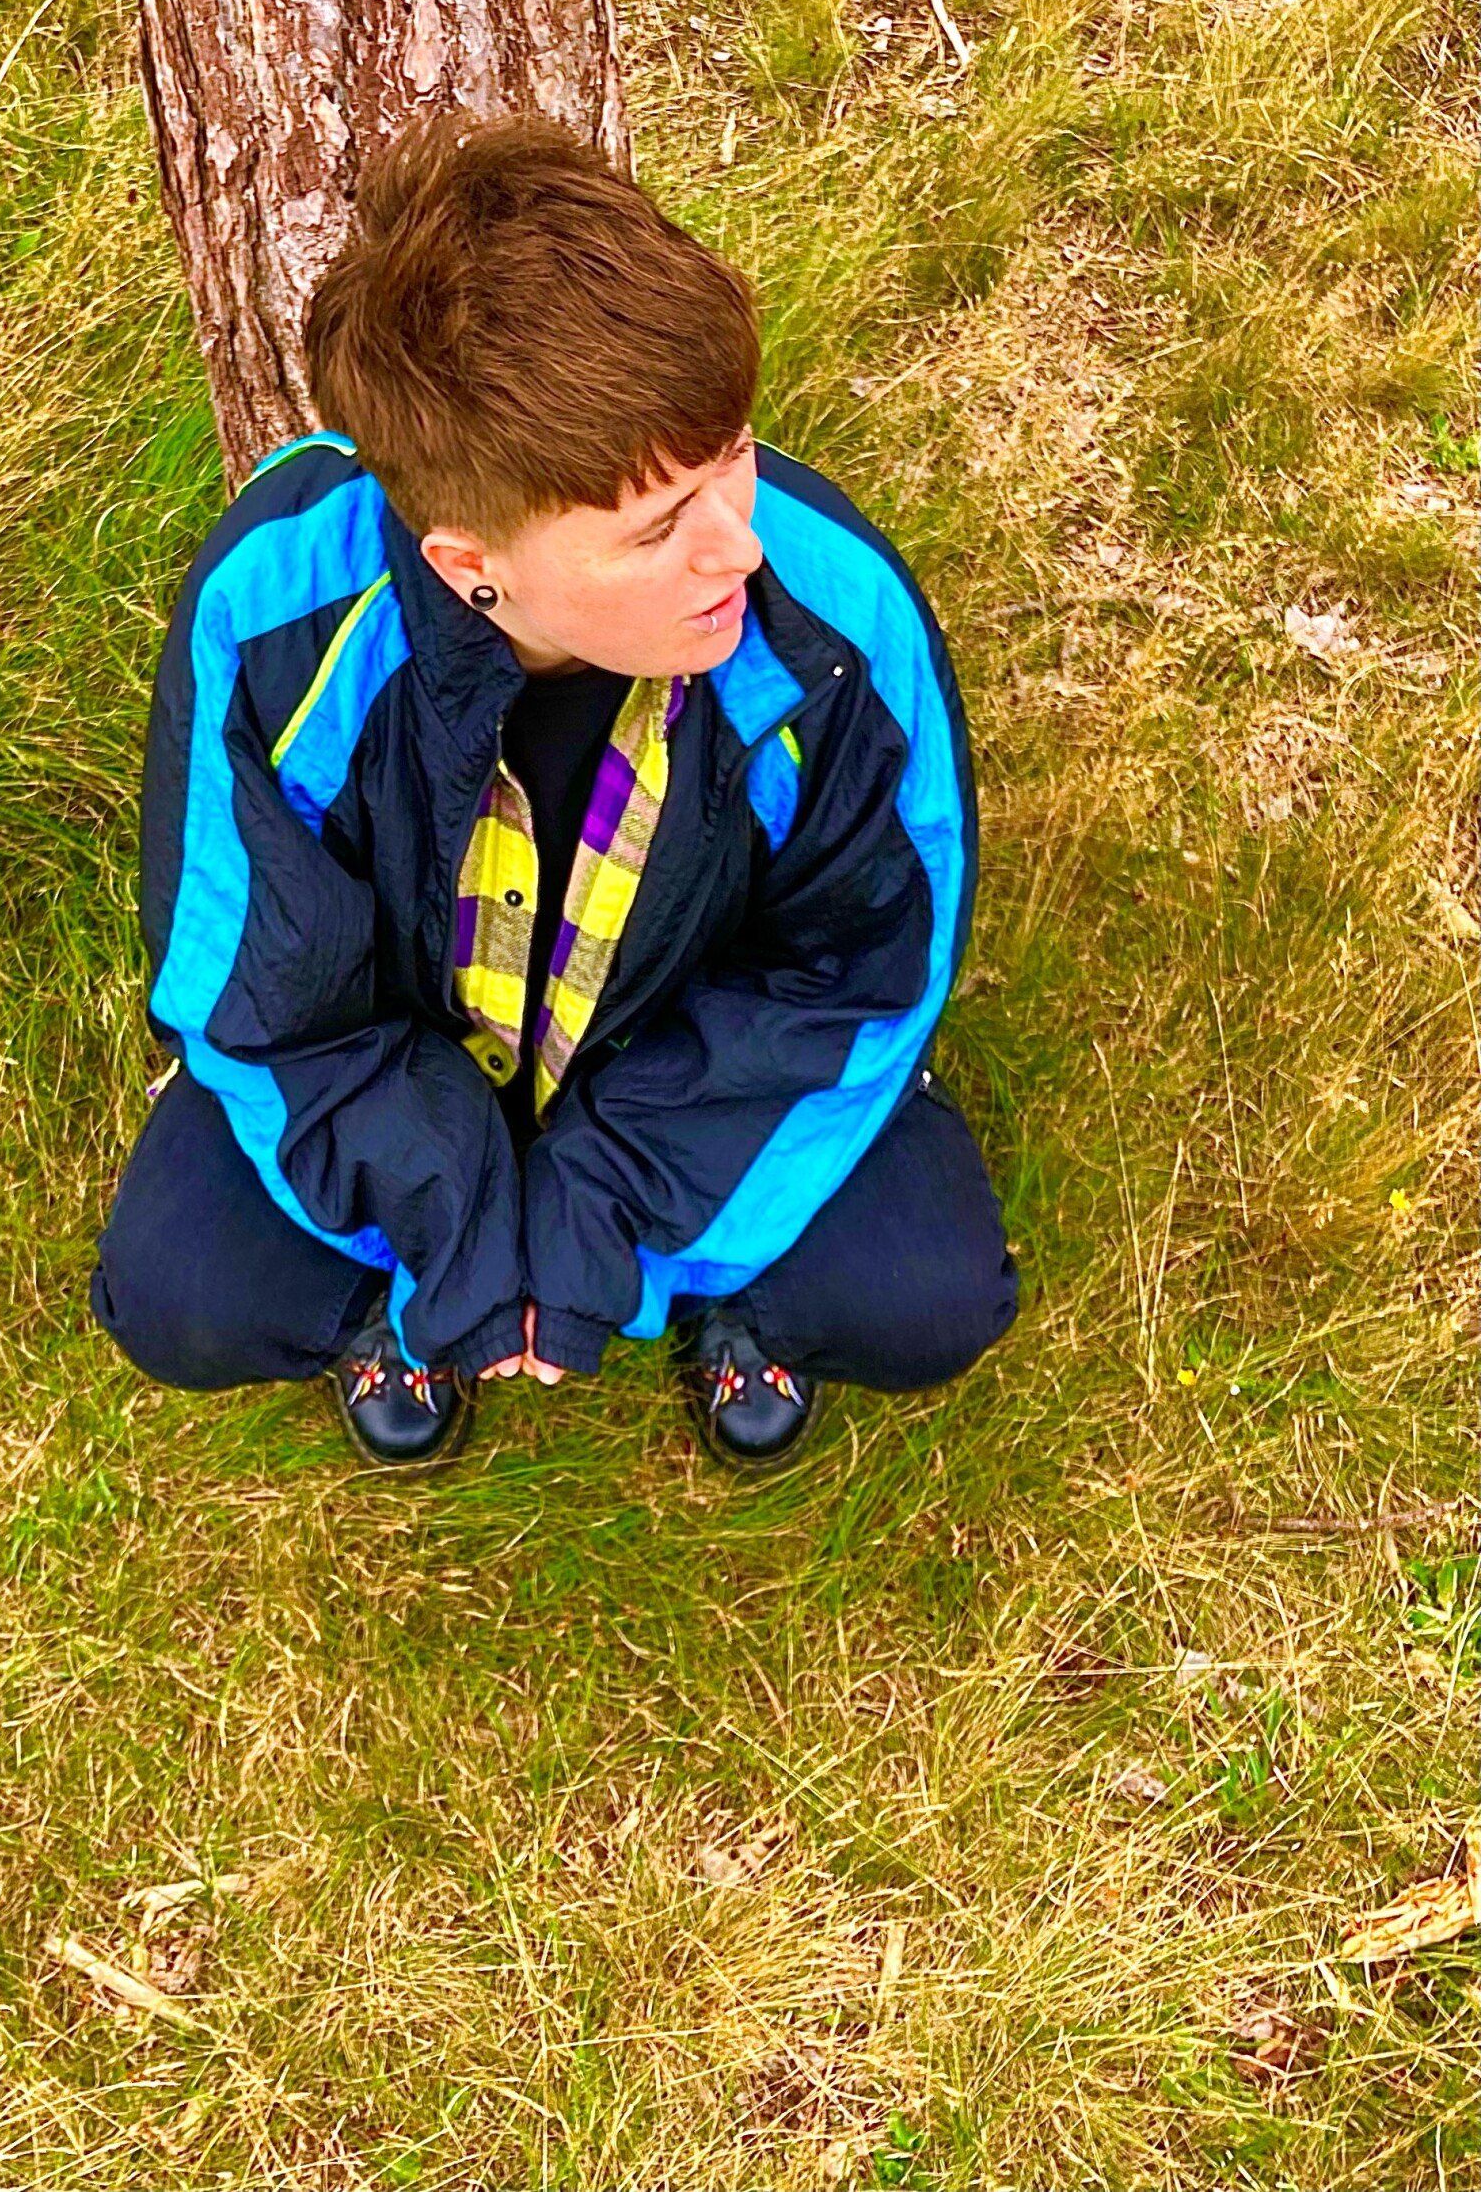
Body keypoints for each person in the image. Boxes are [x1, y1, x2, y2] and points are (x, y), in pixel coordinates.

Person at [90, 108, 1018, 1472]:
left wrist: (604, 1208)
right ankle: (406, 1314)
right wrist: (459, 1221)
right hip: (409, 1055)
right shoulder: (278, 614)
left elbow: (864, 976)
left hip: (679, 1057)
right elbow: (255, 1003)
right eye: (659, 529)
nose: (739, 544)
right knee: (178, 1293)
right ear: (476, 564)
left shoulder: (837, 620)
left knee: (930, 1292)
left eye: (733, 460)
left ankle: (717, 1295)